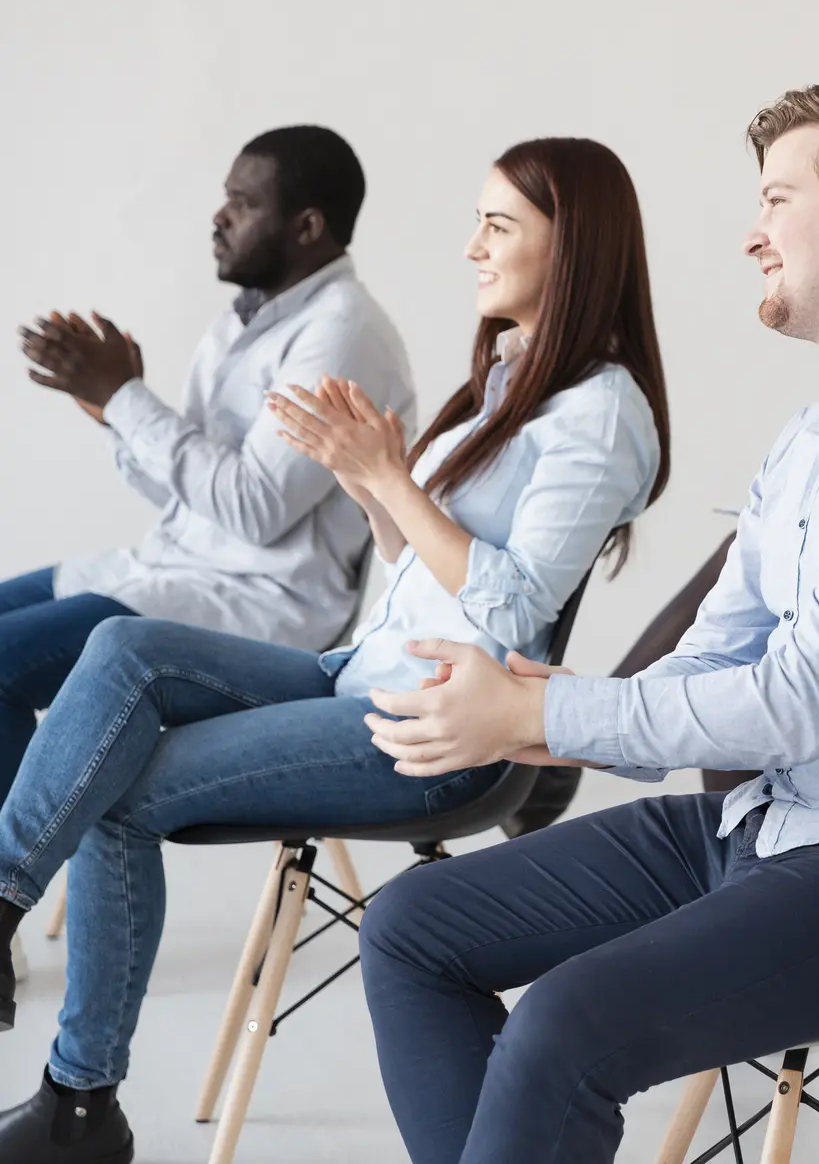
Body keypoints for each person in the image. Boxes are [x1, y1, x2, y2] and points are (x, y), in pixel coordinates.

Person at [351, 82, 819, 1164]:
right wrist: (533, 718)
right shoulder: (816, 429)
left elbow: (802, 698)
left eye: (778, 199)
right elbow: (721, 652)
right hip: (780, 822)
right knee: (414, 927)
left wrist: (541, 711)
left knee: (567, 1022)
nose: (751, 233)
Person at [0, 137, 670, 1164]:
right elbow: (426, 575)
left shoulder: (601, 412)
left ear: (572, 246)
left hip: (431, 721)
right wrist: (373, 485)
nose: (470, 247)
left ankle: (78, 1102)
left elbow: (516, 603)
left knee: (116, 784)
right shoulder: (508, 382)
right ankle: (11, 922)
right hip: (360, 669)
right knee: (121, 643)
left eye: (498, 226)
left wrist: (392, 481)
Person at [6, 127, 415, 794]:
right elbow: (181, 495)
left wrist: (128, 398)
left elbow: (255, 509)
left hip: (256, 604)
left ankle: (11, 864)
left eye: (243, 202)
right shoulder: (239, 323)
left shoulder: (341, 333)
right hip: (167, 570)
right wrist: (111, 411)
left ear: (307, 226)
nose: (219, 217)